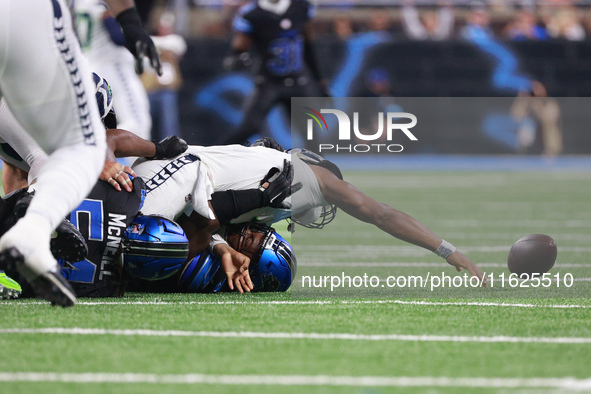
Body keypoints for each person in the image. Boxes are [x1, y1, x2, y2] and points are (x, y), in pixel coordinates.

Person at [127, 139, 486, 290]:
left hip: (169, 174)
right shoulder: (316, 178)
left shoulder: (266, 169)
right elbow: (383, 214)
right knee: (129, 251)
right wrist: (448, 250)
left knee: (180, 250)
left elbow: (209, 209)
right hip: (168, 180)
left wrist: (222, 248)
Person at [0, 0, 161, 307]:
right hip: (26, 21)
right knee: (75, 150)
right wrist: (131, 22)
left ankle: (29, 225)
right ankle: (34, 231)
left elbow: (15, 173)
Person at [220, 0, 327, 145]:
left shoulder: (301, 6)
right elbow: (237, 51)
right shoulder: (252, 14)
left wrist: (320, 80)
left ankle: (319, 168)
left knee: (311, 135)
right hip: (267, 83)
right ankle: (214, 158)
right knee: (249, 127)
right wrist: (236, 60)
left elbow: (308, 46)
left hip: (297, 81)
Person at [75, 0, 153, 142]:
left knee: (104, 123)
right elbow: (118, 37)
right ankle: (109, 150)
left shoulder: (79, 4)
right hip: (113, 66)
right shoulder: (100, 5)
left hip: (92, 68)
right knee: (138, 122)